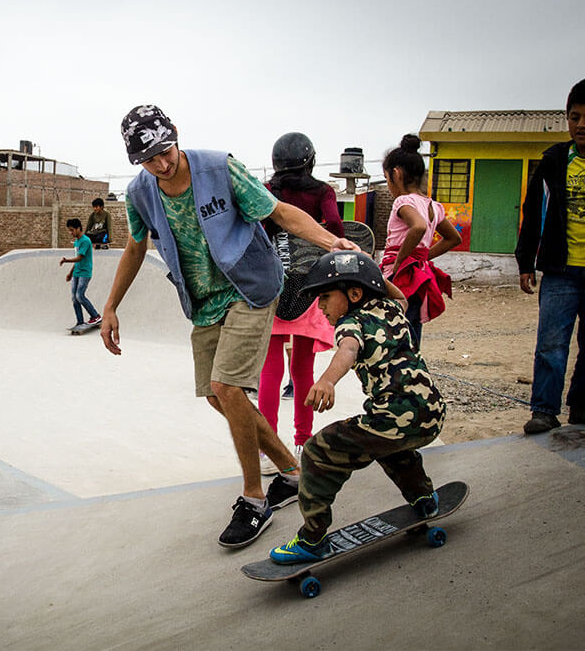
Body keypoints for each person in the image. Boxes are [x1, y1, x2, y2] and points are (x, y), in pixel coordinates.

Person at [102, 105, 358, 548]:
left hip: (252, 287)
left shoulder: (220, 168)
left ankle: (254, 498)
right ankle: (292, 470)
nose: (161, 164)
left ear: (176, 135)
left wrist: (330, 240)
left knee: (228, 386)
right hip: (203, 302)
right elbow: (135, 247)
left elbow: (278, 212)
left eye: (165, 151)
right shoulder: (141, 192)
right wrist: (110, 307)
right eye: (149, 159)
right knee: (216, 397)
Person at [268, 251, 445, 564]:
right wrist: (368, 267)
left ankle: (313, 539)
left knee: (317, 452)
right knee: (392, 449)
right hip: (431, 413)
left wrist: (326, 380)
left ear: (354, 293)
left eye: (324, 297)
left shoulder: (350, 324)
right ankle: (423, 499)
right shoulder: (393, 308)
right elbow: (400, 294)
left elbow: (348, 350)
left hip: (393, 419)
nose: (320, 307)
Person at [516, 77, 585, 434]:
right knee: (551, 344)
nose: (581, 125)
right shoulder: (555, 160)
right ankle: (544, 410)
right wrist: (526, 261)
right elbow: (532, 211)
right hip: (560, 271)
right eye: (574, 117)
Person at [258, 132, 346, 474]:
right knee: (303, 369)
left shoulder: (268, 190)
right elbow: (336, 226)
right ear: (310, 160)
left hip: (272, 287)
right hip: (309, 287)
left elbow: (258, 227)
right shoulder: (323, 191)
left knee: (269, 370)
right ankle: (303, 442)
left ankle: (267, 453)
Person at [379, 135, 462, 347]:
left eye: (387, 179)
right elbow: (453, 238)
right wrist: (422, 256)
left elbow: (418, 226)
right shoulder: (432, 206)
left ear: (396, 174)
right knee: (412, 327)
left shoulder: (403, 201)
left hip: (401, 275)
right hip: (420, 274)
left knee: (394, 326)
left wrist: (400, 260)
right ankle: (412, 370)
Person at [59, 218, 101, 328]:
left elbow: (80, 258)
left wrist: (66, 260)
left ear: (78, 228)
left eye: (72, 230)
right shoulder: (77, 242)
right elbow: (77, 260)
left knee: (80, 295)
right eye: (69, 230)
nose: (71, 233)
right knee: (74, 297)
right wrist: (70, 273)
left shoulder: (85, 241)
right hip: (77, 272)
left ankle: (95, 316)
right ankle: (80, 321)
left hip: (85, 272)